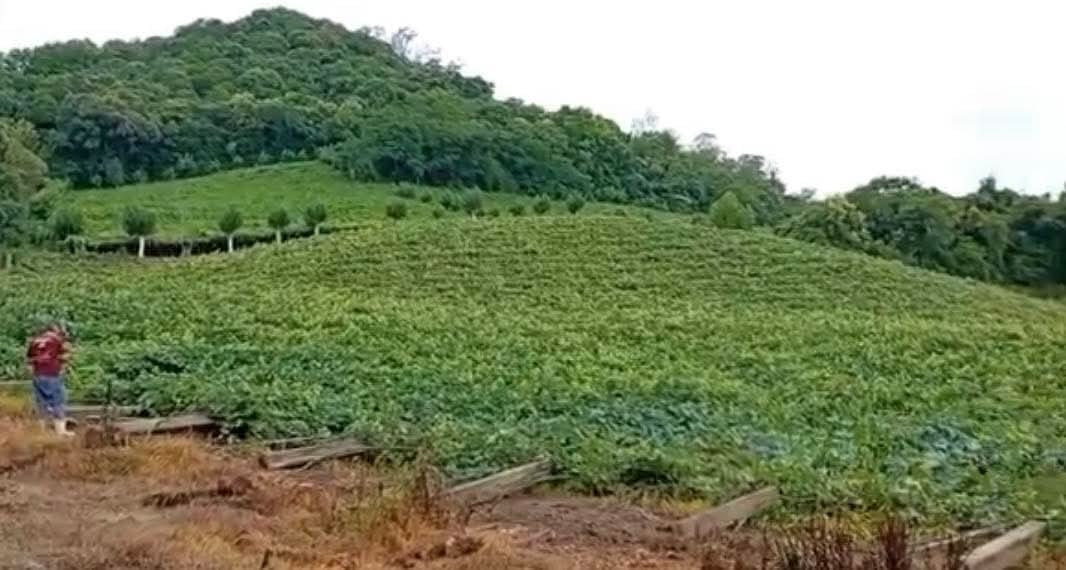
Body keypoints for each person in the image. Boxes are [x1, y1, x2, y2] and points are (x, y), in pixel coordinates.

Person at [26, 322, 74, 436]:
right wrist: (64, 365)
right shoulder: (57, 340)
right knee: (58, 401)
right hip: (52, 374)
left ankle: (41, 431)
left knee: (41, 403)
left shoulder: (35, 341)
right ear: (55, 330)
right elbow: (66, 355)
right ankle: (61, 431)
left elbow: (29, 360)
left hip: (38, 375)